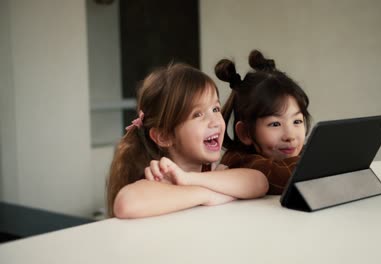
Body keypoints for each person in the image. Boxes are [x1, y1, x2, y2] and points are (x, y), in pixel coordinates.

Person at [107, 63, 268, 219]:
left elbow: (259, 182)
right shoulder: (160, 176)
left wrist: (188, 179)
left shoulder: (210, 172)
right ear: (164, 136)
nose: (215, 121)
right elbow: (125, 204)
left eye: (215, 109)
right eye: (197, 114)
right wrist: (208, 196)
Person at [215, 50, 311, 195]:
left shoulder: (290, 152)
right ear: (246, 133)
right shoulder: (239, 161)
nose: (290, 135)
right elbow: (288, 175)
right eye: (275, 124)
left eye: (297, 121)